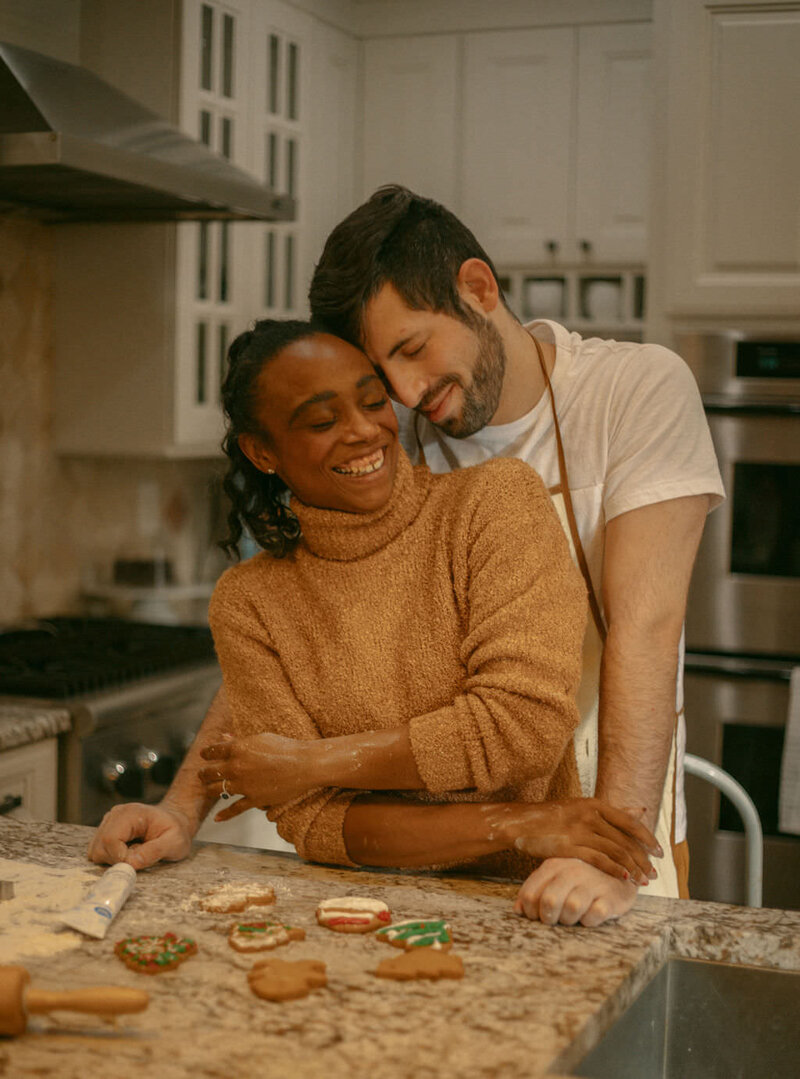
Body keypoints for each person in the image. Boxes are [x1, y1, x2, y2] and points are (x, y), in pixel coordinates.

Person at [90, 186, 723, 926]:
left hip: (611, 804)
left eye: (414, 349)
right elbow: (300, 626)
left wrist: (604, 848)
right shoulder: (403, 431)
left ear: (479, 289)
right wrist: (183, 804)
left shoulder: (633, 389)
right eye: (385, 375)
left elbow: (646, 627)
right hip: (441, 834)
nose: (410, 394)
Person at [104, 318, 659, 901]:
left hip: (531, 901)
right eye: (322, 421)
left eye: (373, 403)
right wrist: (520, 823)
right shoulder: (250, 602)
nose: (364, 431)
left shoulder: (493, 506)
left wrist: (312, 763)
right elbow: (314, 823)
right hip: (347, 909)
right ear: (262, 450)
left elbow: (521, 728)